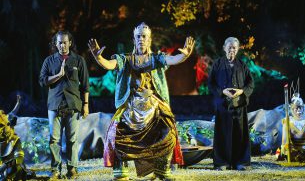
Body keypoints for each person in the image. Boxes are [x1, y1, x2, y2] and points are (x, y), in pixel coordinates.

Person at [88, 22, 194, 180]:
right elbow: (109, 65)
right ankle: (121, 173)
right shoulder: (125, 59)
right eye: (138, 36)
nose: (141, 39)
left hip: (153, 104)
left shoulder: (156, 59)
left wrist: (185, 55)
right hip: (130, 106)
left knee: (169, 130)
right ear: (134, 39)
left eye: (144, 36)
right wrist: (98, 57)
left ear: (149, 40)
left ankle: (162, 170)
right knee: (115, 131)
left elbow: (173, 60)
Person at [39, 30, 89, 179]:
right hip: (54, 105)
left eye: (65, 42)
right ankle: (55, 170)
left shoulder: (79, 60)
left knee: (72, 139)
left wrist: (85, 105)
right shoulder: (49, 61)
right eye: (59, 42)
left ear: (70, 43)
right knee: (54, 139)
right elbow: (42, 81)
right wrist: (58, 76)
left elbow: (85, 85)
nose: (62, 45)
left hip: (73, 104)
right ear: (56, 44)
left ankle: (72, 169)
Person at [208, 37, 254, 171]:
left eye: (234, 47)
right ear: (224, 48)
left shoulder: (242, 65)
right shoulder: (217, 64)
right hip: (223, 106)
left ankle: (241, 162)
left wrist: (242, 91)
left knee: (240, 133)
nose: (232, 50)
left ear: (238, 49)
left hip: (239, 105)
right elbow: (211, 83)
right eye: (229, 47)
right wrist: (222, 91)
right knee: (222, 134)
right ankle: (222, 162)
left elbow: (250, 83)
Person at [281, 93, 305, 162]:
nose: (299, 110)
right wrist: (286, 150)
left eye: (300, 107)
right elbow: (284, 141)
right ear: (292, 109)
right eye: (296, 108)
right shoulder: (287, 121)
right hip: (293, 151)